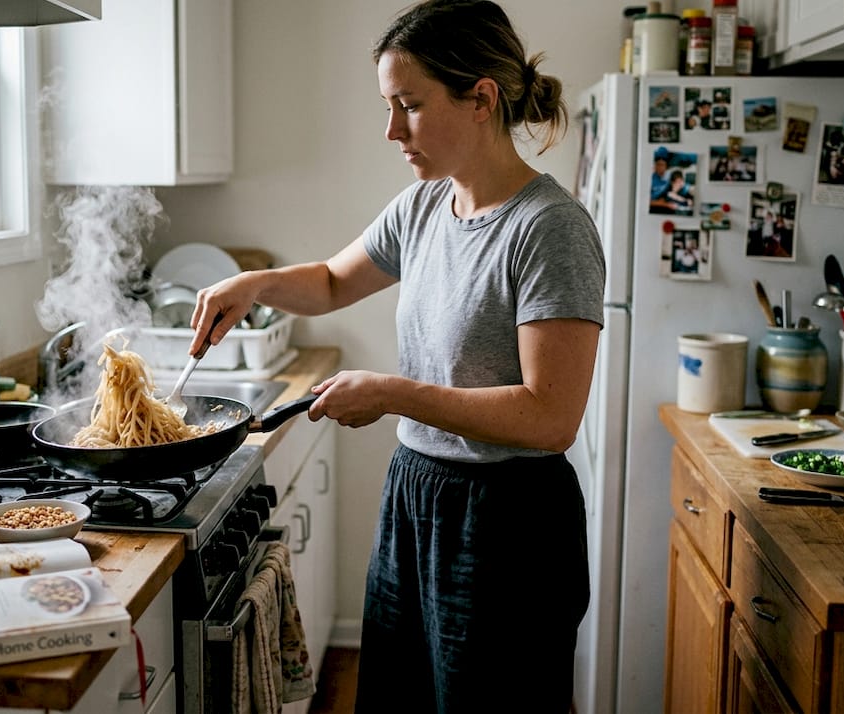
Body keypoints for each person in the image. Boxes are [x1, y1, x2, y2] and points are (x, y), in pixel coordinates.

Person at [184, 2, 604, 711]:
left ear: (482, 99)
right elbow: (328, 282)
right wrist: (254, 283)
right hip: (416, 495)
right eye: (389, 106)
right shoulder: (422, 207)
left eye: (409, 105)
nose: (391, 130)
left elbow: (550, 417)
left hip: (507, 524)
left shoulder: (549, 229)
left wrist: (391, 393)